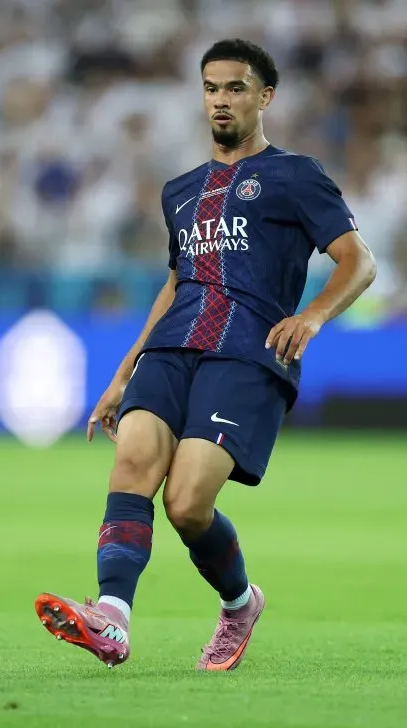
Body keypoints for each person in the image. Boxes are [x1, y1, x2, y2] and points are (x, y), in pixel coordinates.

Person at [34, 38, 377, 671]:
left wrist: (313, 315)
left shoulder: (296, 176)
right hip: (173, 345)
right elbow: (176, 281)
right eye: (212, 88)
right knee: (133, 459)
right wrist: (123, 369)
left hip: (248, 353)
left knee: (187, 503)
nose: (221, 99)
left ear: (264, 96)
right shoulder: (181, 192)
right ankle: (112, 617)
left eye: (236, 88)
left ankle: (240, 603)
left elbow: (360, 261)